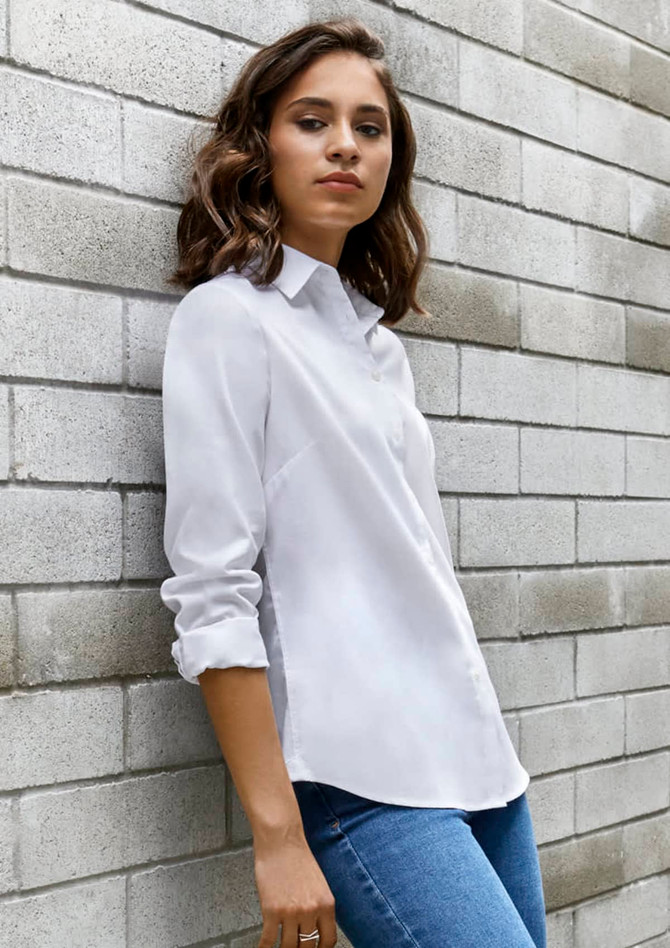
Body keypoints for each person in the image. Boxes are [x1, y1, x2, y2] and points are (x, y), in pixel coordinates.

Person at [159, 15, 547, 948]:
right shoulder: (229, 322)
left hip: (482, 767)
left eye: (370, 128)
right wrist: (279, 838)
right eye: (312, 120)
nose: (345, 146)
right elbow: (213, 593)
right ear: (261, 147)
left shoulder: (377, 346)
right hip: (359, 782)